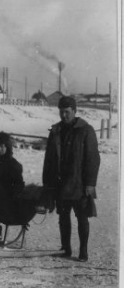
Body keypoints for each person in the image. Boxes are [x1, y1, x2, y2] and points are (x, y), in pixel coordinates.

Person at [43, 95, 100, 262]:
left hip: (79, 183)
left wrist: (90, 183)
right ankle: (66, 249)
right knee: (63, 217)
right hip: (60, 183)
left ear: (74, 111)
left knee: (82, 217)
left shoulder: (86, 130)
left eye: (67, 112)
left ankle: (83, 251)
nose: (64, 115)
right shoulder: (56, 131)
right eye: (61, 112)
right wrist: (48, 184)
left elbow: (93, 158)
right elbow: (49, 160)